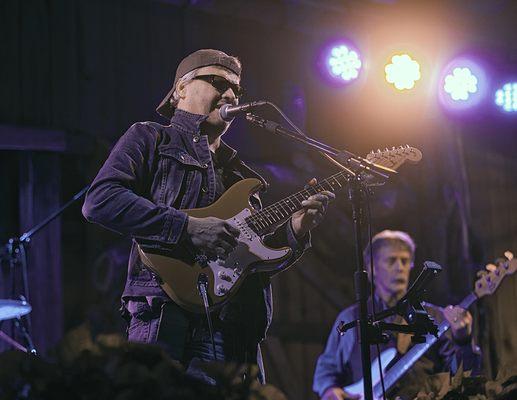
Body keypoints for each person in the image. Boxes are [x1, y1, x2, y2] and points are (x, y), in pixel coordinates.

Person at [82, 49, 335, 384]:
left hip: (236, 329)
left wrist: (296, 230)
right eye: (217, 82)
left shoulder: (241, 174)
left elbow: (252, 256)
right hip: (167, 318)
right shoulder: (150, 138)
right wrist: (186, 227)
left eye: (236, 90)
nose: (230, 94)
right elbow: (100, 201)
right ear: (180, 90)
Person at [313, 230, 482, 400]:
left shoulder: (436, 317)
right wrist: (330, 390)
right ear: (372, 268)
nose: (400, 268)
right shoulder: (352, 318)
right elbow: (327, 369)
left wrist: (463, 341)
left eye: (405, 261)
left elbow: (464, 376)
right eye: (391, 261)